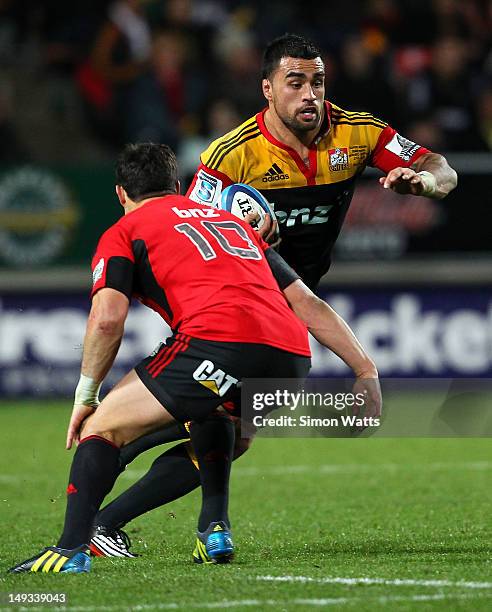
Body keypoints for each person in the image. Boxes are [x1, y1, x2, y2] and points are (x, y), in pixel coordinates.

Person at [87, 32, 458, 557]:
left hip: (290, 298)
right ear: (267, 89)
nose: (311, 94)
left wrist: (421, 183)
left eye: (319, 82)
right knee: (228, 423)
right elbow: (187, 235)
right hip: (232, 300)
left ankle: (136, 491)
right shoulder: (231, 157)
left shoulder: (358, 134)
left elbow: (444, 169)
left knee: (233, 429)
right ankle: (117, 491)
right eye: (296, 83)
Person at [10, 142, 380, 573]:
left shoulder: (124, 232)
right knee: (223, 426)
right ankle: (212, 528)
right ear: (179, 186)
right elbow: (308, 302)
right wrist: (364, 369)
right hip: (292, 357)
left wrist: (86, 394)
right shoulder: (234, 224)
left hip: (217, 342)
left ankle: (70, 550)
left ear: (120, 194)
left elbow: (107, 319)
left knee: (102, 430)